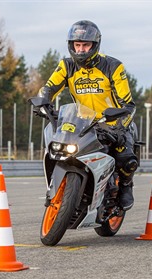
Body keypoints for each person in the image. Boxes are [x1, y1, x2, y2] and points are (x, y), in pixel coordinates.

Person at [36, 20, 138, 210]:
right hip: (82, 121)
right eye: (78, 45)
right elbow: (49, 88)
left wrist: (120, 125)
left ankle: (125, 186)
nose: (81, 50)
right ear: (71, 45)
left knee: (126, 158)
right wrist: (43, 102)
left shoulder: (113, 66)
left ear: (95, 45)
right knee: (59, 147)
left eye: (85, 45)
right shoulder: (66, 66)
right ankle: (57, 189)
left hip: (112, 122)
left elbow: (128, 105)